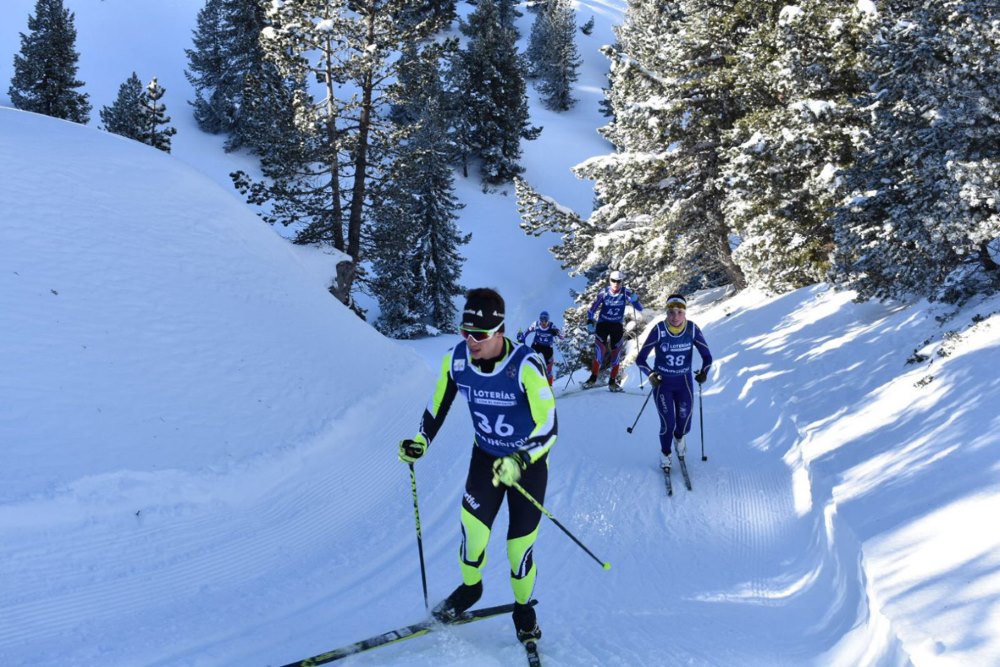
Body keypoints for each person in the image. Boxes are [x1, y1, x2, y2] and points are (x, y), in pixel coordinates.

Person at [398, 288, 557, 647]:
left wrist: (521, 459)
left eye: (480, 335)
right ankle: (471, 590)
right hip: (485, 459)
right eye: (465, 332)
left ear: (500, 331)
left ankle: (523, 609)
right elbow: (438, 403)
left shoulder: (526, 365)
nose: (471, 341)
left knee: (518, 549)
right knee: (473, 537)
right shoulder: (456, 360)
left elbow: (549, 425)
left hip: (526, 466)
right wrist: (420, 441)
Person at [635, 294, 712, 471]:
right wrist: (651, 374)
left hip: (684, 383)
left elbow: (707, 356)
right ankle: (665, 454)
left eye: (679, 312)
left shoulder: (692, 329)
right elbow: (641, 359)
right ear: (666, 313)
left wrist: (703, 373)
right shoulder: (659, 330)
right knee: (668, 422)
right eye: (671, 312)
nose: (675, 316)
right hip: (663, 384)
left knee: (684, 425)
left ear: (685, 313)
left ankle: (679, 438)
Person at [583, 270, 644, 391]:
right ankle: (592, 379)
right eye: (613, 281)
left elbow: (640, 308)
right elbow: (592, 310)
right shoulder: (604, 292)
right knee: (600, 352)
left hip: (616, 326)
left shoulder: (626, 292)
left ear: (622, 281)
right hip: (603, 324)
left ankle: (612, 382)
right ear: (609, 280)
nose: (616, 283)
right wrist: (590, 321)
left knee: (616, 353)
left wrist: (635, 300)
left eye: (619, 281)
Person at [516, 311, 566, 386]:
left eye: (545, 320)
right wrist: (521, 338)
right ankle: (528, 382)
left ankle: (549, 386)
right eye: (541, 320)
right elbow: (526, 332)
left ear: (548, 320)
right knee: (530, 361)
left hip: (548, 348)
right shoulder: (536, 324)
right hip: (537, 345)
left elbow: (562, 336)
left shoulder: (552, 326)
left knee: (549, 367)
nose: (543, 323)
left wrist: (557, 333)